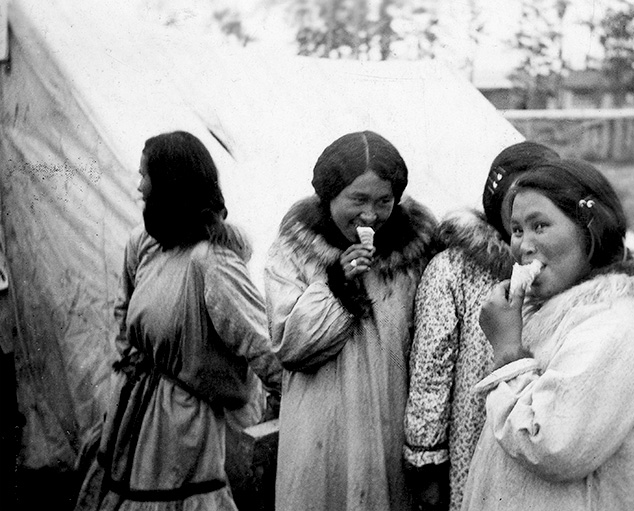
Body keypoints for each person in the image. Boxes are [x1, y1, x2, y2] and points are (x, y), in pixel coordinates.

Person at [460, 158, 634, 510]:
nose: (523, 245)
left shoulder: (621, 325)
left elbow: (551, 444)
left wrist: (508, 351)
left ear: (591, 230)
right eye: (518, 230)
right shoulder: (562, 308)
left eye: (540, 225)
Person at [75, 130, 282, 511]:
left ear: (170, 184)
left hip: (183, 426)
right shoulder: (146, 246)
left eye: (145, 175)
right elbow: (125, 314)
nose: (138, 186)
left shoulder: (212, 263)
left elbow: (261, 343)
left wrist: (289, 404)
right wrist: (129, 372)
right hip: (134, 412)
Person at [264, 130, 437, 511]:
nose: (370, 215)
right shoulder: (295, 249)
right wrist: (338, 286)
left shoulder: (417, 251)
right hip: (320, 433)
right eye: (357, 199)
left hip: (390, 431)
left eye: (384, 201)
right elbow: (290, 347)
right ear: (328, 196)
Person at [403, 141, 560, 511]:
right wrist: (426, 462)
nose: (527, 219)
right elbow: (431, 370)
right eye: (515, 208)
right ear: (496, 206)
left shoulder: (561, 273)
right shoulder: (454, 270)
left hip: (542, 437)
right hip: (473, 435)